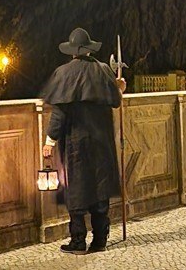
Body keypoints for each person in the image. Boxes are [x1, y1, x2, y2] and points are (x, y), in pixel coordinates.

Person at [41, 28, 126, 255]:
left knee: (75, 188)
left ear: (72, 53)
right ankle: (100, 240)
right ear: (89, 49)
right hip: (101, 142)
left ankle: (78, 241)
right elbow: (115, 101)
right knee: (100, 187)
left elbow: (59, 112)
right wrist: (120, 89)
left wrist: (49, 140)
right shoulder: (104, 71)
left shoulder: (63, 73)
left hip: (75, 142)